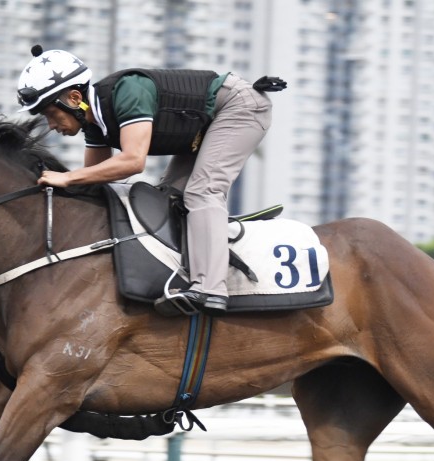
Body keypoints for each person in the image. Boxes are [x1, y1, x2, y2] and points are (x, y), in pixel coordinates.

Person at [16, 45, 279, 316]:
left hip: (240, 107)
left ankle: (211, 288)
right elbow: (94, 184)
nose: (50, 125)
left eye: (50, 114)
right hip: (205, 126)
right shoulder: (95, 125)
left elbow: (132, 162)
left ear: (73, 98)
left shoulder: (128, 91)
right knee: (169, 197)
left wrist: (68, 178)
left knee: (202, 192)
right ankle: (191, 271)